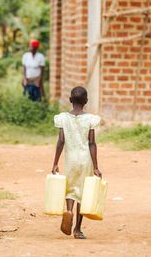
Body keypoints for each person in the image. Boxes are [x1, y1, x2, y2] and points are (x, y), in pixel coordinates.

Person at [51, 86, 102, 239]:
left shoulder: (63, 118)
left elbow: (61, 141)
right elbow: (92, 143)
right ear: (86, 101)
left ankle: (68, 211)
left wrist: (55, 162)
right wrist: (96, 167)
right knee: (83, 192)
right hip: (85, 160)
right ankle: (78, 229)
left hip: (70, 160)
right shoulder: (91, 119)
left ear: (70, 100)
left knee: (70, 188)